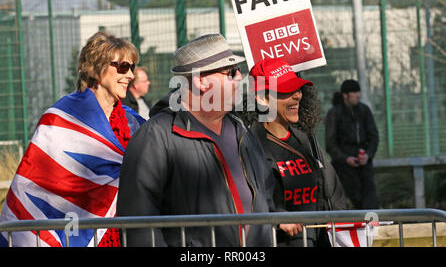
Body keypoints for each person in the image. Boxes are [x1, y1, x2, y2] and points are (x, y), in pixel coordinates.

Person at [116, 33, 275, 247]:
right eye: (231, 72)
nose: (240, 78)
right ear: (201, 81)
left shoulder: (241, 129)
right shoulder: (156, 136)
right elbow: (138, 222)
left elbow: (266, 191)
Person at [0, 31, 145, 247]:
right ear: (97, 68)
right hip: (72, 233)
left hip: (122, 234)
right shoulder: (61, 117)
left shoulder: (134, 122)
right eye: (123, 67)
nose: (130, 75)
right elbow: (38, 183)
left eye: (131, 68)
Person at [247, 58, 346, 247]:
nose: (297, 96)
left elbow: (333, 192)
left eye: (298, 89)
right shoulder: (249, 144)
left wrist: (341, 225)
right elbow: (244, 200)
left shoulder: (306, 140)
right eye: (286, 91)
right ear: (262, 98)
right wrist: (275, 217)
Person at [325, 79, 379, 209]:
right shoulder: (335, 113)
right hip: (344, 164)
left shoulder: (364, 110)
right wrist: (345, 158)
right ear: (345, 95)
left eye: (358, 92)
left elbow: (374, 136)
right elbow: (330, 143)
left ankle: (371, 222)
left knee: (369, 192)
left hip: (363, 160)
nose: (357, 95)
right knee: (354, 193)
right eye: (354, 92)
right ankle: (361, 221)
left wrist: (368, 155)